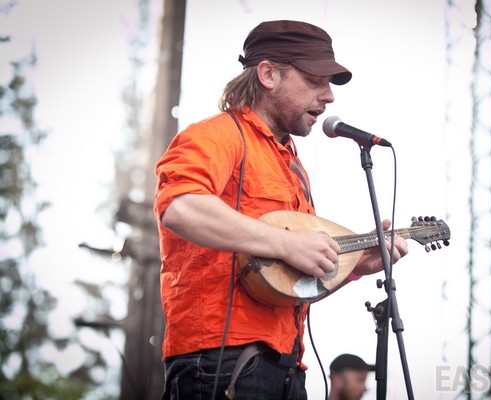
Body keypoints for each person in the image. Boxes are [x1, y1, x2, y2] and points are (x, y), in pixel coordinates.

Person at [153, 20, 409, 399]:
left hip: (287, 369)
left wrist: (354, 267)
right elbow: (180, 206)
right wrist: (287, 244)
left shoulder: (292, 165)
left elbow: (286, 283)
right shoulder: (217, 135)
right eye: (315, 81)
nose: (329, 96)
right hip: (220, 365)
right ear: (268, 75)